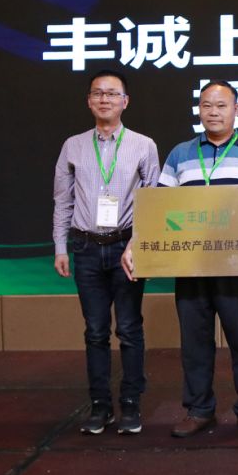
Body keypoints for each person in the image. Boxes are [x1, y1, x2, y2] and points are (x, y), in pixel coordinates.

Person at [124, 80, 238, 438]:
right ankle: (199, 409)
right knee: (194, 342)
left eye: (221, 105)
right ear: (198, 110)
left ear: (236, 110)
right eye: (207, 105)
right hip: (190, 263)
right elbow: (161, 209)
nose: (213, 112)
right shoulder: (180, 154)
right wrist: (136, 245)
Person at [53, 69, 160, 435]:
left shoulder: (143, 145)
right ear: (88, 101)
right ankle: (100, 406)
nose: (105, 99)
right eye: (98, 93)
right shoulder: (73, 145)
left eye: (112, 94)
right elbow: (62, 200)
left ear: (125, 102)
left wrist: (138, 244)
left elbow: (152, 203)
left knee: (129, 328)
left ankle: (131, 404)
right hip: (84, 247)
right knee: (95, 331)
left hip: (126, 246)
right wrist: (60, 246)